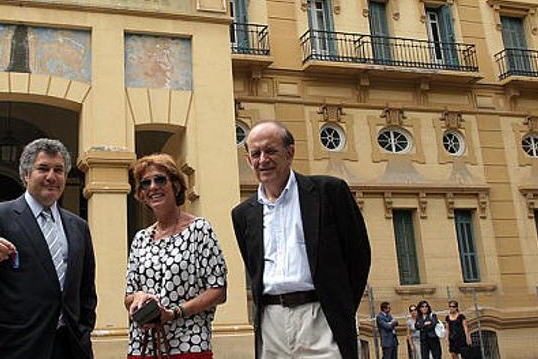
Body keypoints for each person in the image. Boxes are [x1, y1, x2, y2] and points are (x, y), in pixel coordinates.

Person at [231, 120, 371, 359]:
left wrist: (340, 307)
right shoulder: (243, 214)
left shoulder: (329, 192)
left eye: (271, 150)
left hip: (320, 318)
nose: (263, 160)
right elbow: (253, 267)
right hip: (271, 323)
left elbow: (359, 256)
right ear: (248, 160)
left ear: (290, 152)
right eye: (255, 154)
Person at [0, 138, 96, 359]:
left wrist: (84, 330)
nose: (51, 176)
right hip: (15, 348)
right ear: (26, 175)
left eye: (58, 170)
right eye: (43, 168)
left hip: (70, 348)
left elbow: (86, 289)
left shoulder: (78, 227)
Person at [125, 153, 227, 359]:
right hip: (143, 345)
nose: (153, 186)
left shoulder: (199, 229)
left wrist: (174, 313)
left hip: (188, 343)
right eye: (146, 183)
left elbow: (218, 291)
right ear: (142, 194)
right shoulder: (140, 239)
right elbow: (129, 295)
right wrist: (138, 298)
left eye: (160, 179)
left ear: (177, 185)